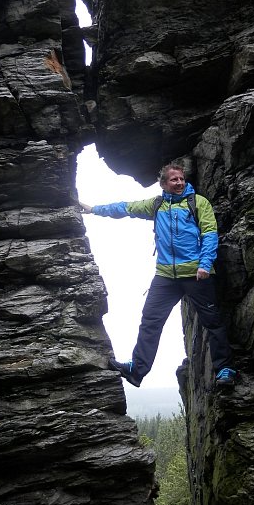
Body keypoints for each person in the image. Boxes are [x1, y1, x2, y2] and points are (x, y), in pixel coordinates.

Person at [79, 163, 237, 388]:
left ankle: (225, 370)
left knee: (212, 322)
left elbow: (210, 233)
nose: (179, 182)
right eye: (174, 180)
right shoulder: (157, 205)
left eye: (181, 179)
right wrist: (94, 209)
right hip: (165, 276)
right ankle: (137, 370)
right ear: (163, 184)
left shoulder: (198, 203)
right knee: (150, 320)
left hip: (196, 274)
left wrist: (205, 264)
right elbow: (126, 208)